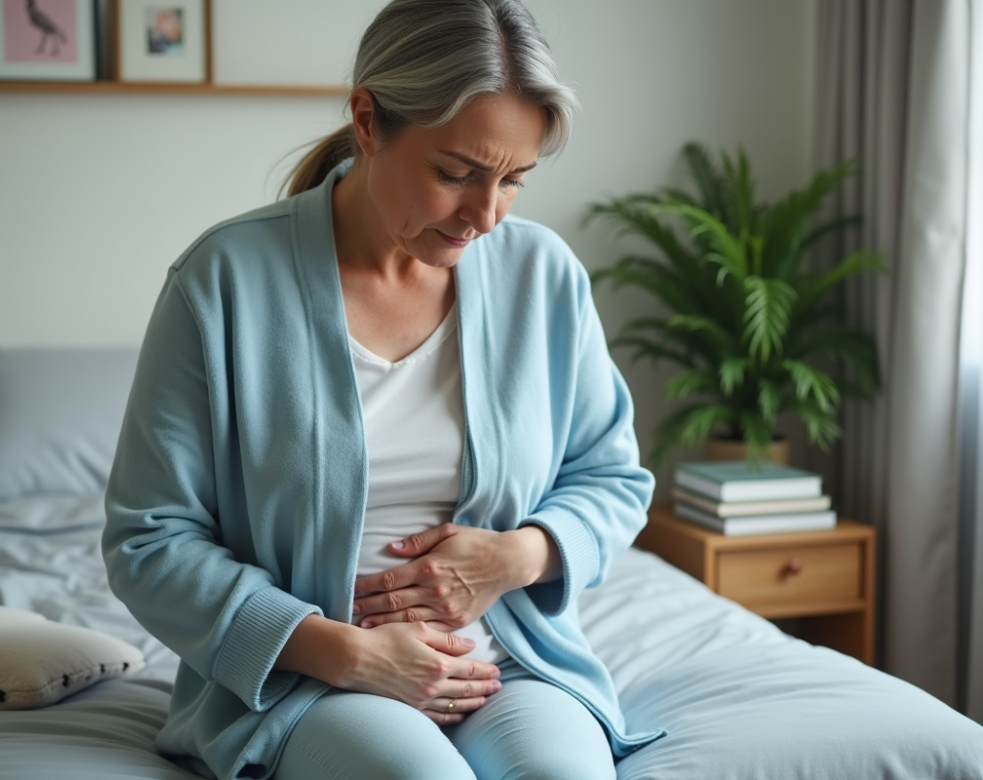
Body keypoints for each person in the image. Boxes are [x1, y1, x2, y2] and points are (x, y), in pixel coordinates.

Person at [101, 1, 662, 778]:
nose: (486, 215)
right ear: (368, 121)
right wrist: (347, 653)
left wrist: (516, 557)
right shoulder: (225, 281)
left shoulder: (544, 275)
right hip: (312, 679)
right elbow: (150, 539)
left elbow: (612, 478)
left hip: (507, 662)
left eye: (514, 180)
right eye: (456, 174)